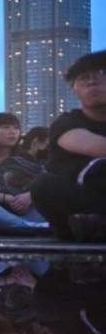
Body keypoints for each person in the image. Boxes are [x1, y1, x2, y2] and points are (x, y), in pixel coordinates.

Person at [32, 50, 106, 241]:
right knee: (44, 185)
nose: (92, 82)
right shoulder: (66, 123)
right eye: (84, 78)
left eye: (102, 74)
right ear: (74, 88)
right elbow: (95, 146)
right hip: (83, 200)